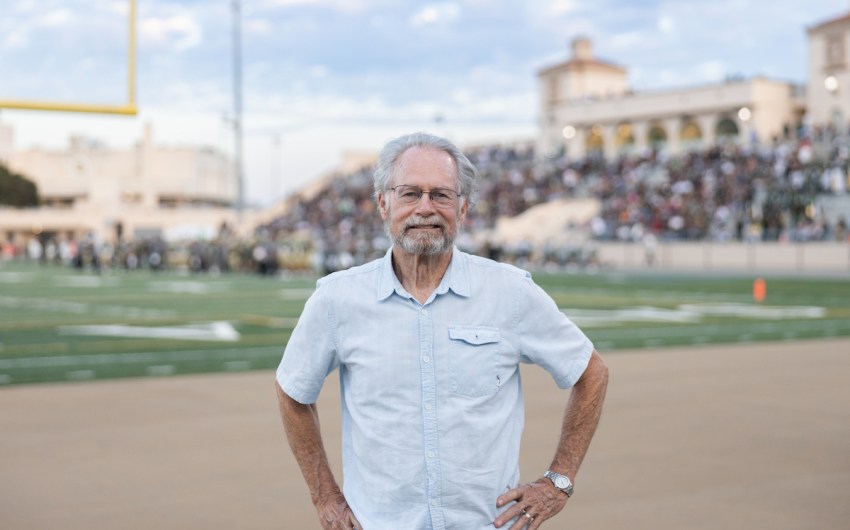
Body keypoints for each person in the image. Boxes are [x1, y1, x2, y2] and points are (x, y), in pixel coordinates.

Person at [275, 132, 609, 529]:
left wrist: (559, 481)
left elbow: (591, 373)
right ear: (384, 203)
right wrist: (325, 498)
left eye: (441, 195)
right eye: (410, 193)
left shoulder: (509, 292)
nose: (425, 208)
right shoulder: (337, 299)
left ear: (463, 208)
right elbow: (293, 391)